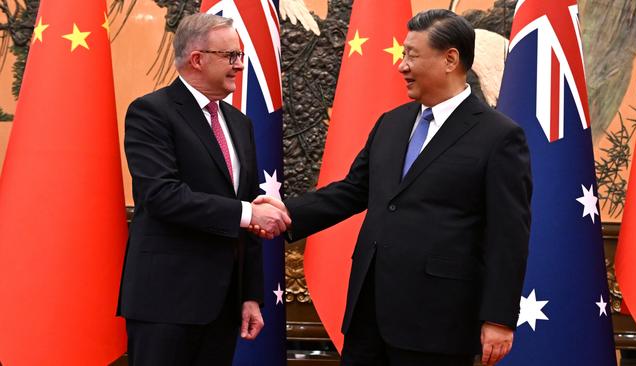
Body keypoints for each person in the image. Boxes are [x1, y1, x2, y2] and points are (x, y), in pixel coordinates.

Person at [254, 9, 532, 366]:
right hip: (368, 313)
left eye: (412, 55)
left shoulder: (499, 136)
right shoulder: (392, 122)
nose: (402, 65)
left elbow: (509, 233)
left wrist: (498, 317)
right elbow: (354, 190)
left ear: (450, 59)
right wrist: (286, 213)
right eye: (403, 54)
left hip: (438, 322)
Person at [117, 13, 290, 366]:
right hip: (166, 302)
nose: (240, 66)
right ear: (197, 59)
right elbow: (162, 196)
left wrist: (250, 295)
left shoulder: (239, 123)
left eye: (239, 56)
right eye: (231, 56)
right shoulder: (151, 112)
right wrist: (249, 213)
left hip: (223, 305)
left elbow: (249, 209)